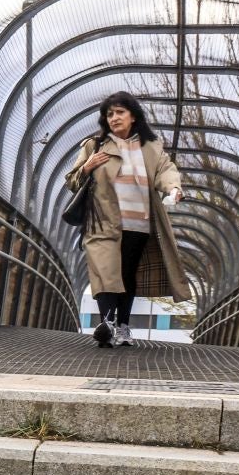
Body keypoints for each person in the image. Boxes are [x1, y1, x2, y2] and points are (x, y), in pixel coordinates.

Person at [66, 92, 188, 347]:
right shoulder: (95, 146)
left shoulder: (151, 148)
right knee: (105, 272)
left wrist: (174, 189)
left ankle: (122, 326)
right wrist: (87, 167)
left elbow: (166, 172)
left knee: (126, 274)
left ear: (133, 116)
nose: (114, 118)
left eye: (120, 112)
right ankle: (107, 324)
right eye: (109, 114)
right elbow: (72, 182)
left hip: (138, 224)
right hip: (101, 222)